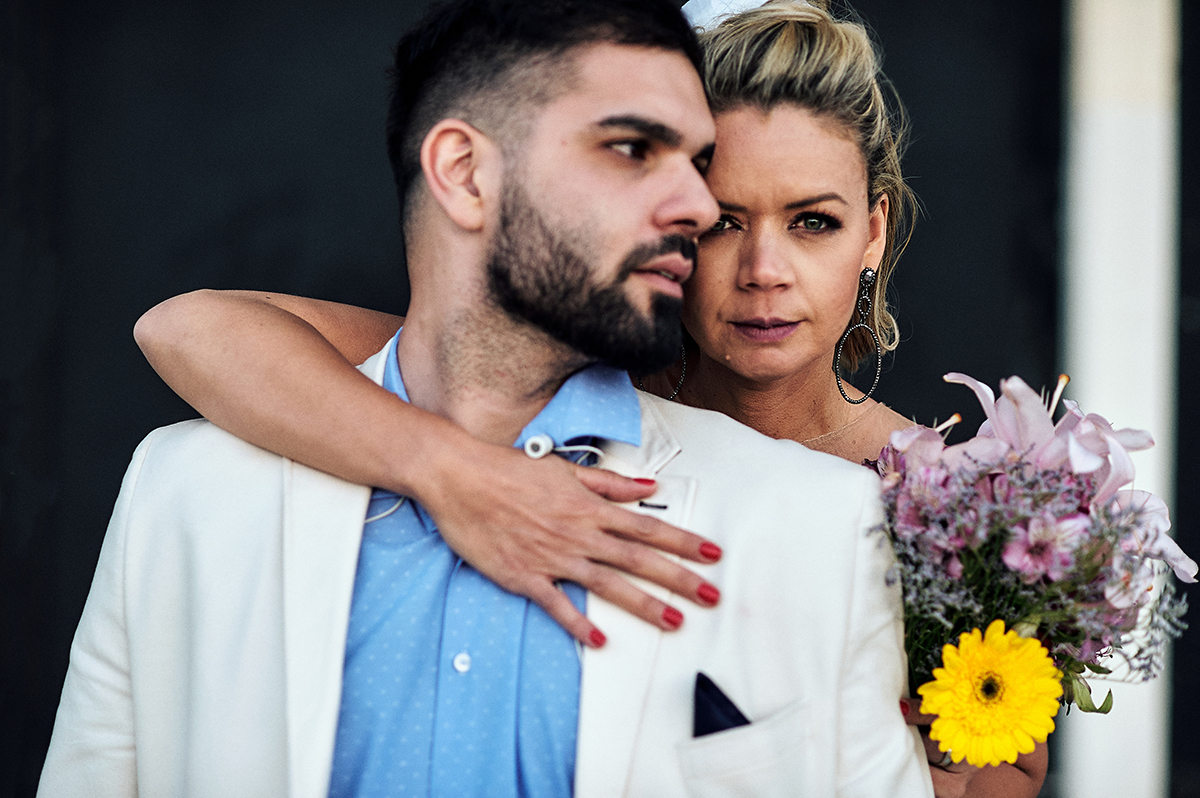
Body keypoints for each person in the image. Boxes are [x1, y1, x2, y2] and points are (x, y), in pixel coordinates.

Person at [136, 3, 1047, 794]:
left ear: (873, 231)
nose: (764, 271)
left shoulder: (952, 506)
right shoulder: (555, 400)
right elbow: (188, 327)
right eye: (724, 222)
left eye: (813, 221)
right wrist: (451, 471)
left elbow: (1007, 774)